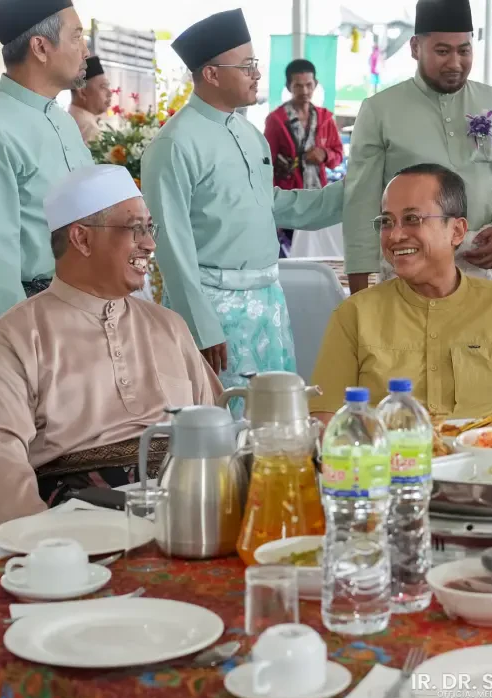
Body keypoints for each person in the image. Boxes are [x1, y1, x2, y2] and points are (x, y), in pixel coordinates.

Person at [0, 165, 223, 527]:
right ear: (82, 240)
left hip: (191, 507)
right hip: (80, 520)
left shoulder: (169, 326)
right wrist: (37, 545)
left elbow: (217, 426)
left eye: (150, 228)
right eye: (135, 229)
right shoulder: (16, 337)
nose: (150, 243)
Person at [141, 9, 343, 407]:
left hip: (268, 299)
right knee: (223, 424)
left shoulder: (249, 134)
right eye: (247, 65)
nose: (256, 74)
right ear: (211, 74)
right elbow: (171, 241)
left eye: (256, 64)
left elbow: (273, 205)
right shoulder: (174, 143)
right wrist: (200, 324)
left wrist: (351, 193)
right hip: (214, 307)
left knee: (272, 421)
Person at [309, 164, 492, 419]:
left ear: (457, 231)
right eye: (387, 222)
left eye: (412, 219)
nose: (394, 236)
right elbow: (325, 418)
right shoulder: (355, 315)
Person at [342, 0, 492, 295]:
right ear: (415, 47)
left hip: (482, 268)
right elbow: (361, 202)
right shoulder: (380, 110)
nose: (455, 63)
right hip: (408, 271)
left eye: (464, 50)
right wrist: (360, 297)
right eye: (442, 51)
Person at [0, 0, 94, 322]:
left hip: (82, 301)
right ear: (40, 47)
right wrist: (14, 340)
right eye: (76, 37)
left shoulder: (61, 120)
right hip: (32, 313)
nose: (86, 51)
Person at [264, 58, 344, 257]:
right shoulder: (276, 120)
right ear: (288, 87)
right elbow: (266, 164)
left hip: (320, 197)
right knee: (293, 254)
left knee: (318, 251)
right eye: (298, 86)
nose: (304, 91)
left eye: (309, 85)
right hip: (290, 199)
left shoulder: (325, 118)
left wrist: (324, 154)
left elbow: (338, 155)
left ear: (315, 84)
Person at [68, 55, 111, 144]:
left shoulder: (67, 119)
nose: (109, 93)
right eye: (103, 87)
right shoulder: (89, 129)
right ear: (83, 92)